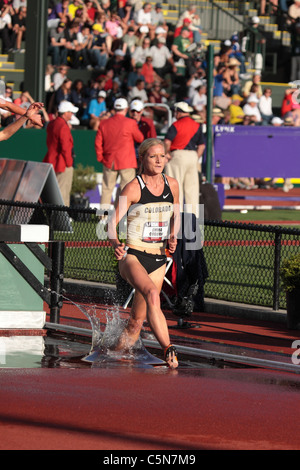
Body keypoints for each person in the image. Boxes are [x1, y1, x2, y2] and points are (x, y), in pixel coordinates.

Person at [107, 137, 180, 369]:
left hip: (158, 258)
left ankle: (109, 356)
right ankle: (169, 348)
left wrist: (173, 234)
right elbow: (110, 223)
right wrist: (115, 243)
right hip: (133, 256)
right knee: (151, 293)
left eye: (162, 156)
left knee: (136, 324)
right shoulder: (133, 188)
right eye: (153, 156)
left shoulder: (173, 185)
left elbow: (176, 214)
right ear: (143, 159)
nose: (159, 161)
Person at [95, 97, 144, 213]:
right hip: (126, 161)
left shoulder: (104, 123)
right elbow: (140, 138)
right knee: (127, 190)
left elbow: (98, 142)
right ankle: (123, 215)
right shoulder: (130, 123)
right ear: (126, 109)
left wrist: (101, 157)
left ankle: (103, 217)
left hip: (109, 161)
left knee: (107, 189)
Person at [164, 101, 205, 217]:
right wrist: (196, 157)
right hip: (192, 156)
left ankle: (176, 217)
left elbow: (167, 142)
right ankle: (193, 220)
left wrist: (166, 153)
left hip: (177, 155)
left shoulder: (176, 125)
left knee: (175, 188)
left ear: (178, 112)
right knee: (192, 190)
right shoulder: (197, 125)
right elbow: (201, 145)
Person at [43, 100, 79, 206]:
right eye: (71, 112)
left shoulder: (52, 123)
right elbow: (65, 147)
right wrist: (69, 163)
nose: (72, 114)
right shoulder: (63, 125)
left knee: (55, 191)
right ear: (66, 113)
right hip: (62, 162)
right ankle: (63, 218)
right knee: (63, 191)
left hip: (52, 159)